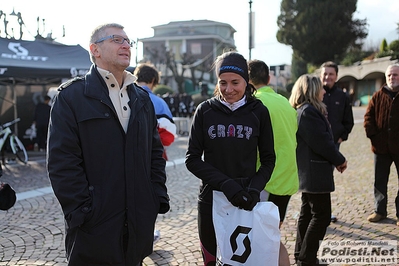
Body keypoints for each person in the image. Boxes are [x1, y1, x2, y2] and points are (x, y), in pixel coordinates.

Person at [47, 23, 169, 266]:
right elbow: (62, 162)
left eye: (128, 41)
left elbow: (155, 153)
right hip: (94, 227)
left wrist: (155, 198)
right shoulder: (71, 97)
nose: (125, 45)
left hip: (136, 224)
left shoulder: (142, 98)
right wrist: (82, 212)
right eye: (116, 39)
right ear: (95, 49)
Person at [185, 51, 276, 266]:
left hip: (246, 199)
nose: (228, 89)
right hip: (211, 197)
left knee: (242, 260)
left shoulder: (259, 112)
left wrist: (254, 189)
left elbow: (269, 158)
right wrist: (225, 184)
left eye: (235, 82)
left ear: (246, 81)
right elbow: (192, 158)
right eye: (222, 83)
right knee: (210, 261)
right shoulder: (205, 111)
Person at [289, 74, 347, 266]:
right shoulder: (308, 112)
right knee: (321, 217)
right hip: (314, 173)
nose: (324, 91)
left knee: (307, 215)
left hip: (310, 172)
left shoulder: (304, 111)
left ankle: (301, 254)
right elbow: (323, 143)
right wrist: (339, 159)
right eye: (320, 88)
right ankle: (307, 258)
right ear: (312, 90)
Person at [248, 59, 298, 266]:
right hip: (286, 180)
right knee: (271, 234)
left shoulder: (254, 104)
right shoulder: (284, 102)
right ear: (268, 79)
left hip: (265, 182)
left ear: (246, 81)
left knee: (266, 238)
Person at [364, 63, 399, 226]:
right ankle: (380, 210)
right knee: (380, 181)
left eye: (396, 75)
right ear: (386, 78)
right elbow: (368, 118)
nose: (392, 78)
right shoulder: (377, 96)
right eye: (390, 75)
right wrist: (373, 137)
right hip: (381, 148)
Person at [320, 61, 354, 223]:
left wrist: (342, 136)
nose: (327, 77)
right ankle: (317, 213)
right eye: (325, 74)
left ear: (336, 76)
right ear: (321, 75)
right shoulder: (315, 94)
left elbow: (349, 121)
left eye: (331, 74)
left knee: (327, 179)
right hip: (316, 144)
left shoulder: (343, 96)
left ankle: (325, 213)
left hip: (334, 144)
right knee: (316, 179)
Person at [132, 63, 176, 159]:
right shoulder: (159, 103)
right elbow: (169, 134)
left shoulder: (124, 98)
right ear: (153, 80)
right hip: (151, 155)